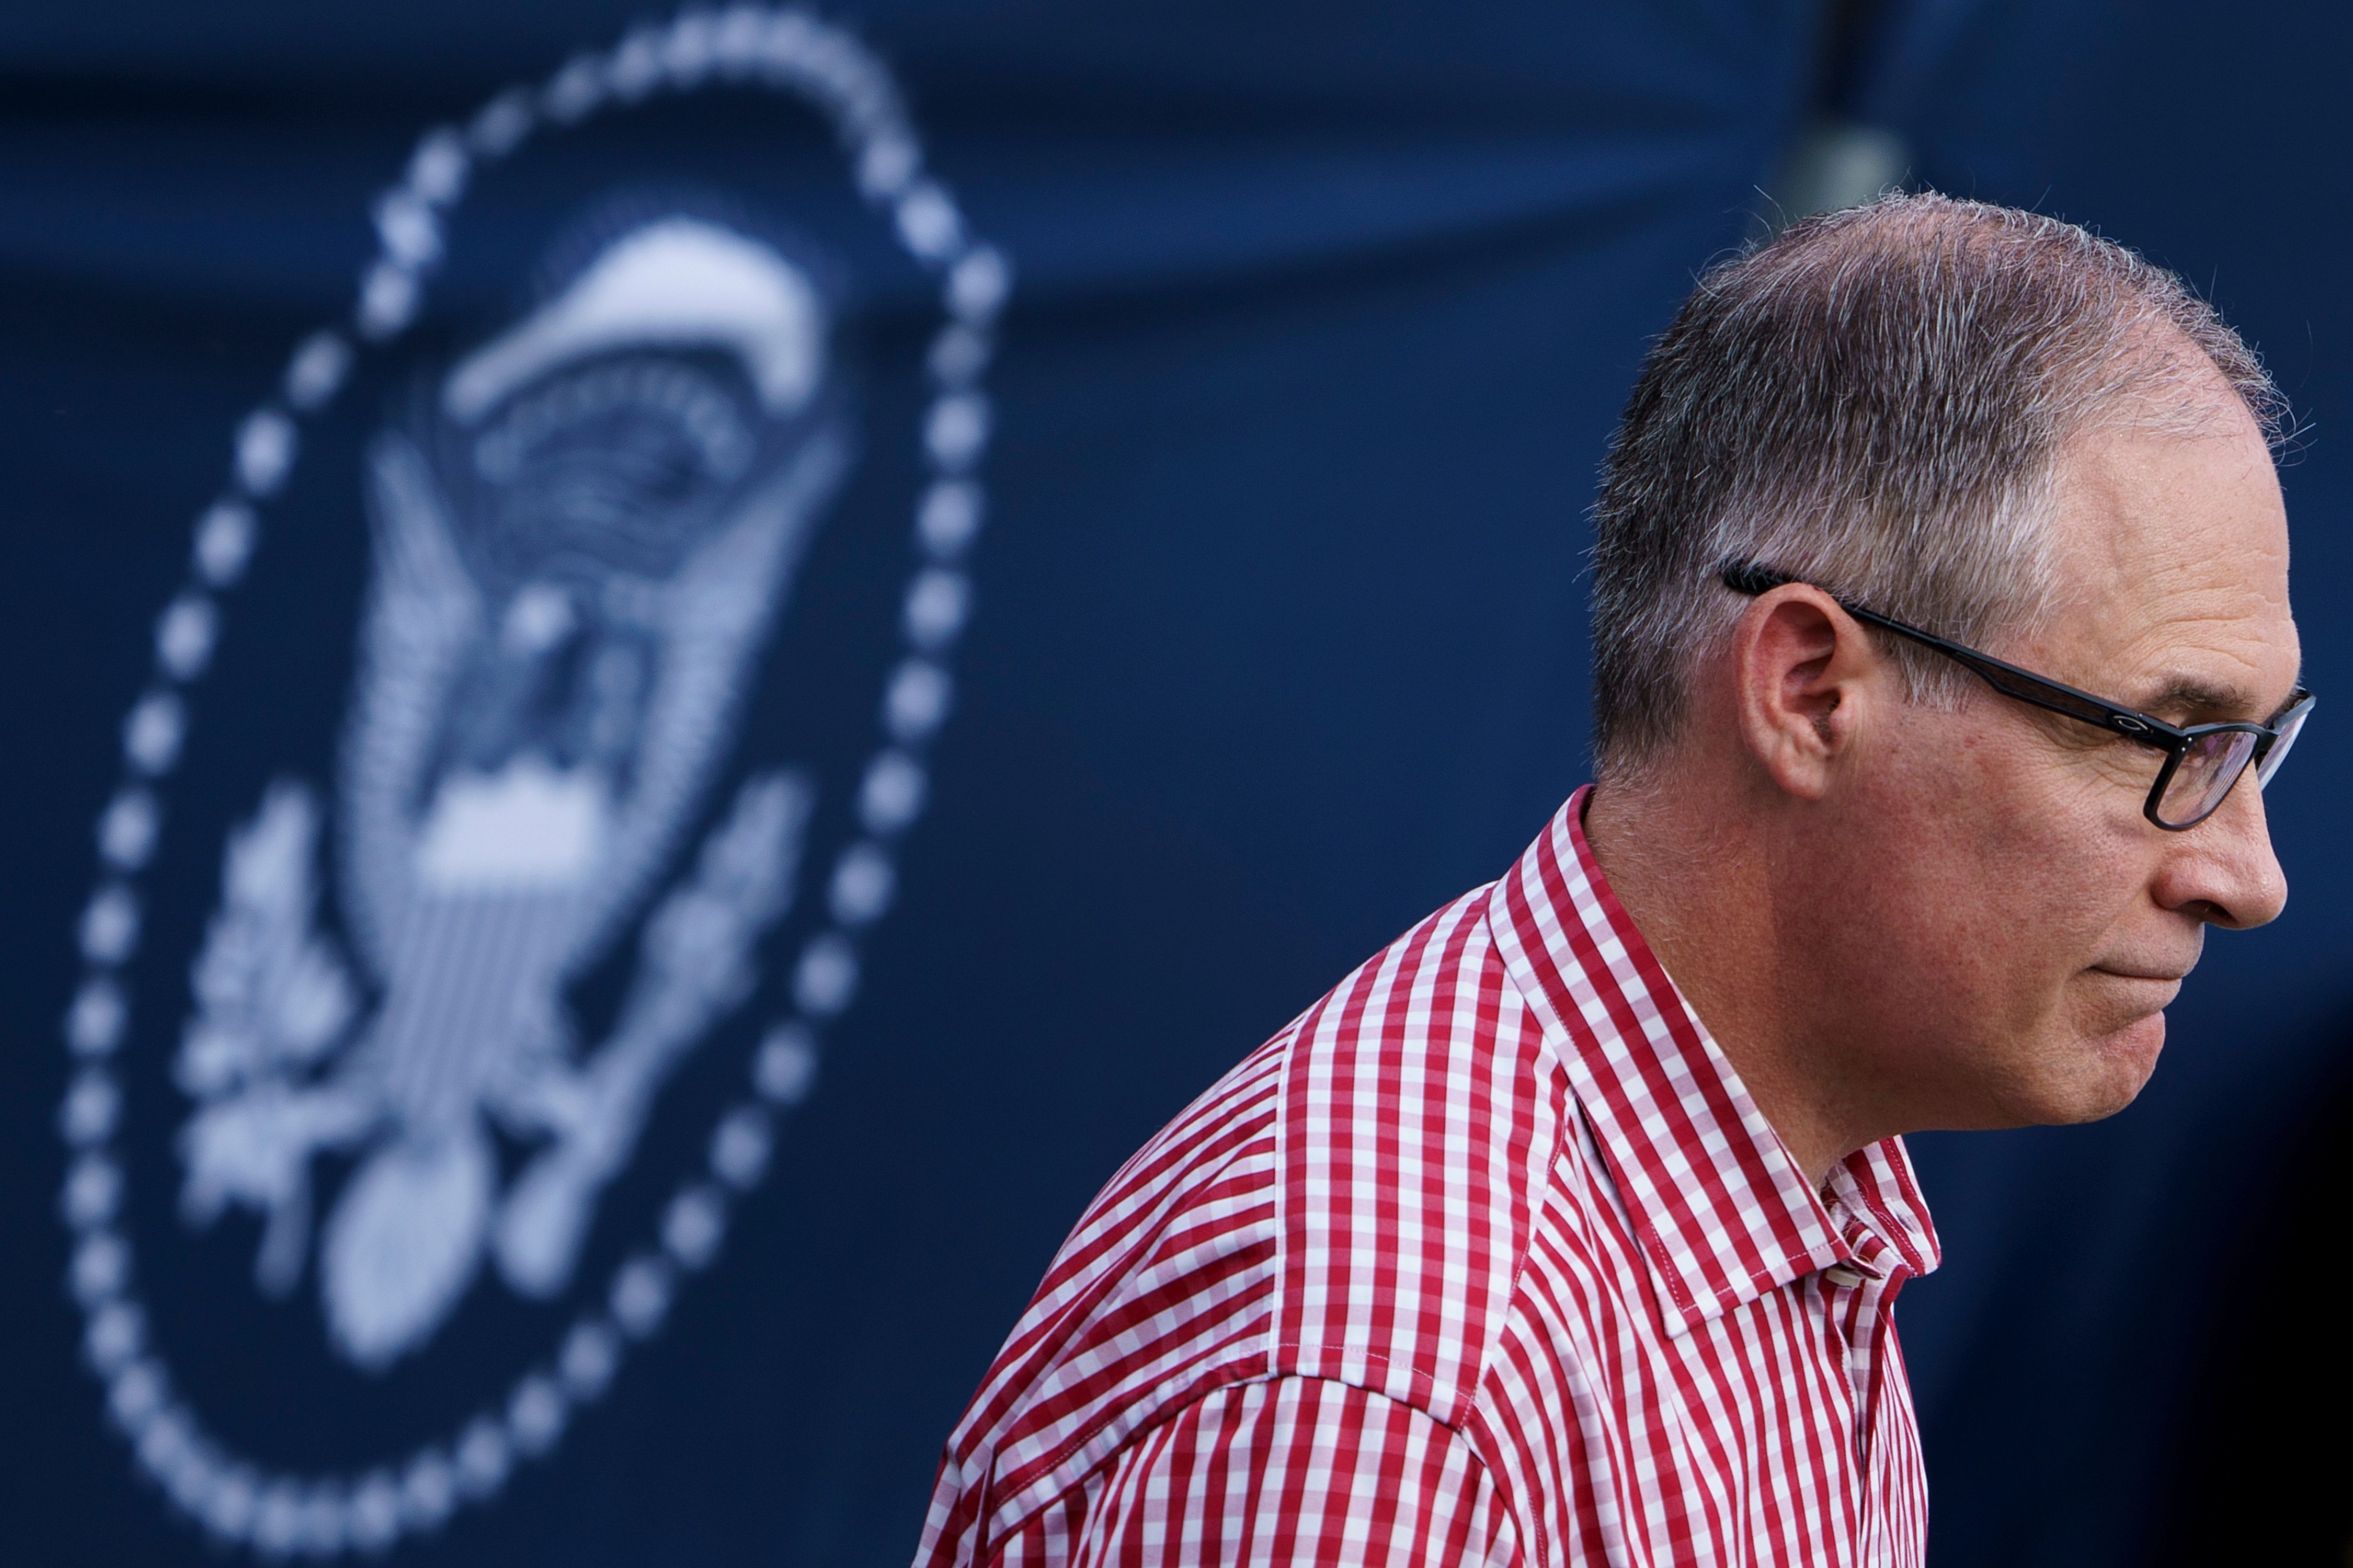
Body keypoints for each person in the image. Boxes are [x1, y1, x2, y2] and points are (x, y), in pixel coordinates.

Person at [911, 192, 2310, 1566]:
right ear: (1810, 691)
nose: (2247, 876)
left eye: (2258, 744)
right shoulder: (1389, 1389)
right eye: (2171, 738)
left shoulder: (1778, 1204)